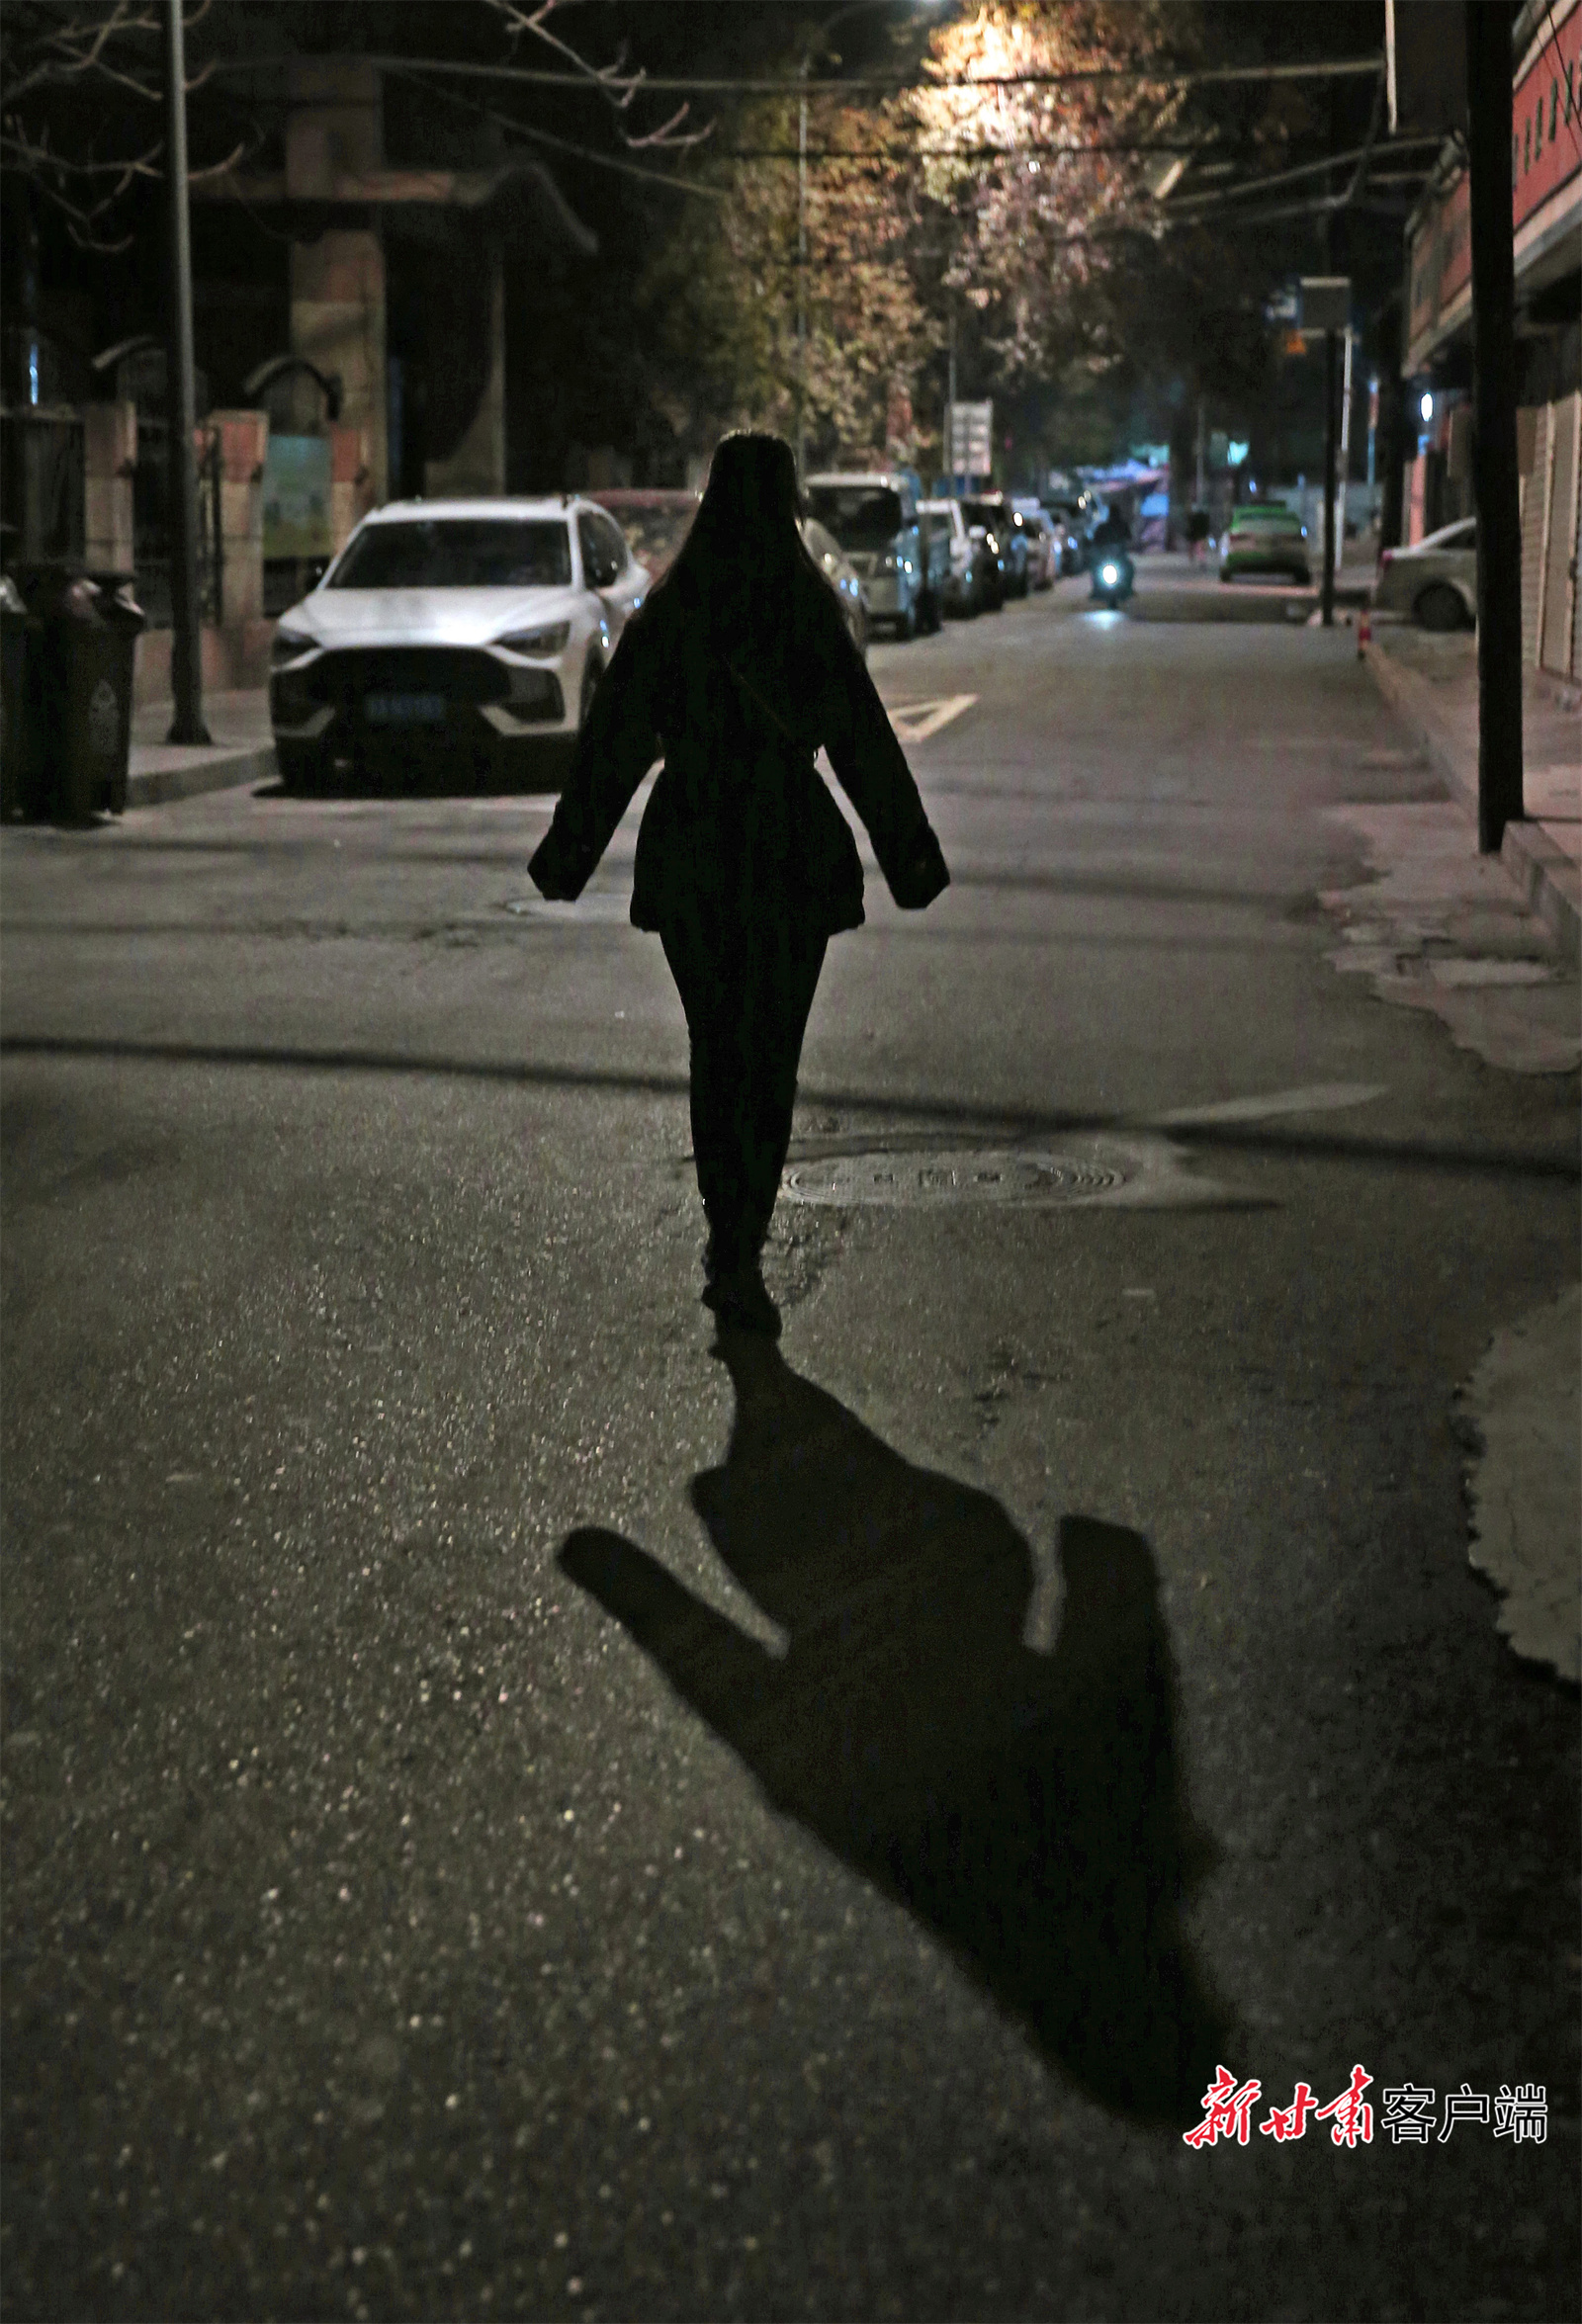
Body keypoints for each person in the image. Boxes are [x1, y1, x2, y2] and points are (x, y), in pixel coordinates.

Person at [529, 431, 950, 1336]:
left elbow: (613, 746)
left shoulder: (671, 612)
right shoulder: (806, 612)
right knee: (771, 1057)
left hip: (695, 848)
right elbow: (863, 743)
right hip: (789, 849)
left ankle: (728, 1241)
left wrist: (569, 853)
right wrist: (910, 856)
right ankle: (746, 1236)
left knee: (716, 1047)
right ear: (788, 505)